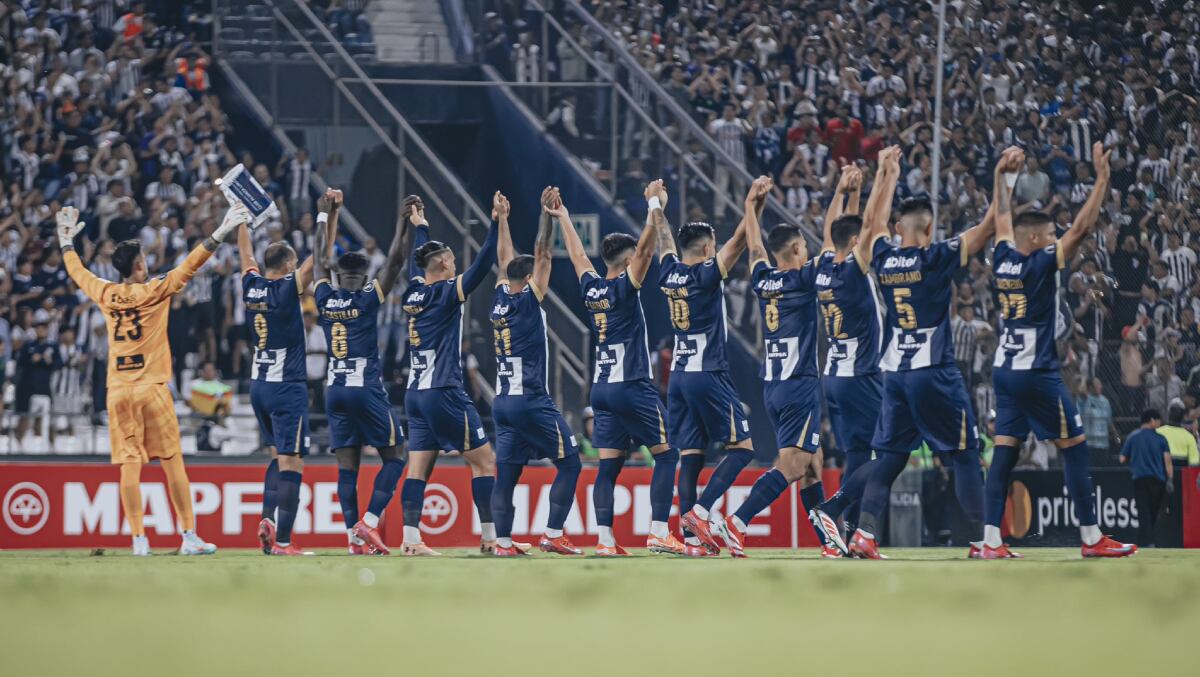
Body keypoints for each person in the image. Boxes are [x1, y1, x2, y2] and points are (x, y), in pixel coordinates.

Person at [825, 145, 996, 559]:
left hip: (894, 374)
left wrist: (889, 173)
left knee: (889, 458)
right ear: (930, 226)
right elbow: (989, 227)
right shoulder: (936, 256)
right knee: (966, 454)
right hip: (934, 371)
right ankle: (985, 541)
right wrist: (1003, 181)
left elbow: (872, 222)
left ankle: (864, 534)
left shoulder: (882, 256)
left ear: (899, 227)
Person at [58, 202, 243, 556]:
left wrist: (66, 242)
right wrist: (220, 233)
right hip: (152, 389)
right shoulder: (154, 290)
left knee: (130, 464)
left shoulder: (106, 293)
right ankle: (189, 536)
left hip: (117, 391)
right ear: (140, 266)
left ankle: (139, 541)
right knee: (172, 461)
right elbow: (190, 266)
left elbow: (78, 272)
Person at [984, 142, 1135, 559]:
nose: (1056, 239)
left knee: (1005, 451)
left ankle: (990, 542)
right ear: (1035, 238)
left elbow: (999, 218)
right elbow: (1082, 230)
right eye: (1050, 234)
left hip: (1005, 368)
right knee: (1075, 447)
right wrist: (1103, 179)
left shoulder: (1002, 258)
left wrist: (1004, 176)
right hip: (1036, 370)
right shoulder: (1037, 263)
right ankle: (1091, 537)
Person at [547, 182, 684, 556]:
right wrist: (654, 205)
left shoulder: (592, 289)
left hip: (602, 388)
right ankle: (658, 532)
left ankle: (605, 541)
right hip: (632, 385)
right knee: (668, 455)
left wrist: (564, 220)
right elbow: (645, 248)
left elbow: (577, 257)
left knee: (608, 468)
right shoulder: (626, 286)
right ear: (627, 264)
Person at [710, 175, 833, 558]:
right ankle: (738, 522)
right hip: (799, 384)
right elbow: (831, 247)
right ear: (797, 248)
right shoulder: (802, 277)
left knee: (813, 466)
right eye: (804, 245)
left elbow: (754, 247)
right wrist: (843, 196)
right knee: (794, 466)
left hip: (774, 388)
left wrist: (751, 204)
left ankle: (829, 541)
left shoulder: (763, 279)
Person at [400, 193, 524, 556]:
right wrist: (496, 220)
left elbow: (415, 263)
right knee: (485, 461)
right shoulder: (444, 292)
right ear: (440, 265)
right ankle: (489, 538)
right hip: (443, 390)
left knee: (418, 467)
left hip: (415, 393)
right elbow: (486, 263)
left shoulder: (415, 290)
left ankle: (410, 540)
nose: (456, 264)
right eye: (451, 260)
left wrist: (420, 228)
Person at [655, 172, 756, 557]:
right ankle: (700, 511)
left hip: (678, 376)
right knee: (743, 447)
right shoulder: (706, 274)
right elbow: (740, 241)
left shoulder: (668, 271)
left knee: (691, 455)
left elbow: (663, 240)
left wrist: (656, 207)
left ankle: (693, 540)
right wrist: (752, 205)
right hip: (708, 373)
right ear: (708, 247)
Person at [488, 191, 584, 557]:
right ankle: (554, 533)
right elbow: (542, 253)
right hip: (531, 400)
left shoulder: (499, 299)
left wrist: (503, 219)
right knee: (570, 463)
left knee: (507, 477)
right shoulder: (529, 299)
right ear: (529, 279)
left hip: (503, 403)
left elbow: (503, 258)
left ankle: (504, 543)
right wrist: (548, 215)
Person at [314, 194, 410, 556]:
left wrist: (324, 214)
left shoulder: (326, 298)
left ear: (339, 276)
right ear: (364, 276)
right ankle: (367, 523)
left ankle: (352, 540)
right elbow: (398, 260)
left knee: (347, 468)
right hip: (363, 388)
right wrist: (402, 222)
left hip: (333, 389)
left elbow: (320, 260)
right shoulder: (368, 298)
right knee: (396, 455)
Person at [240, 184, 325, 557]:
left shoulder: (252, 286)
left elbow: (245, 254)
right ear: (288, 268)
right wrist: (325, 215)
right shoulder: (288, 288)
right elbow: (317, 258)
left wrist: (239, 218)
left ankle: (268, 517)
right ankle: (285, 542)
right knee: (294, 461)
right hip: (286, 387)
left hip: (258, 385)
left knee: (277, 456)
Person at [1119, 409, 1170, 548]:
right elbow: (1168, 462)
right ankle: (1148, 542)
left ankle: (1145, 541)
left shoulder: (1132, 437)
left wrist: (1134, 456)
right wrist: (1170, 480)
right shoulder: (1161, 439)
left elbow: (1122, 458)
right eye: (1158, 420)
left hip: (1140, 479)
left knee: (1144, 512)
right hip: (1158, 481)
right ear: (1152, 420)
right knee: (1153, 512)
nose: (1159, 423)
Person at [1156, 403, 1200, 468]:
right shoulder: (1189, 437)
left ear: (1169, 415)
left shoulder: (1157, 432)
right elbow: (1194, 463)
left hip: (1160, 472)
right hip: (1182, 474)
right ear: (1182, 417)